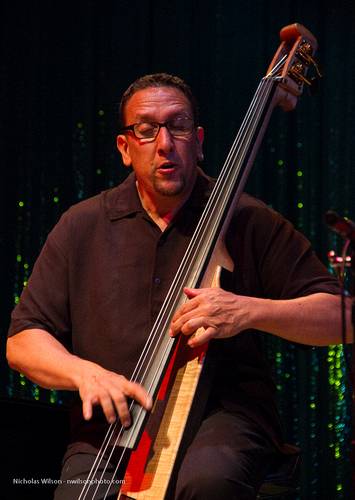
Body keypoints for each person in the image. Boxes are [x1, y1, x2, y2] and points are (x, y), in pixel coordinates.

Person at [6, 73, 353, 500]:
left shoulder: (248, 219)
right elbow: (23, 341)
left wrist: (248, 311)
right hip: (113, 429)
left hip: (222, 417)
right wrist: (85, 374)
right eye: (146, 130)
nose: (165, 143)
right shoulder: (82, 226)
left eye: (179, 126)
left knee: (206, 484)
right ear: (125, 148)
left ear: (200, 140)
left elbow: (342, 317)